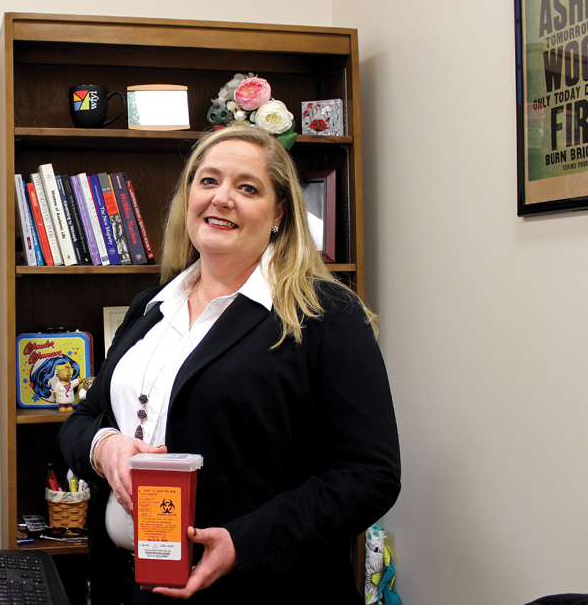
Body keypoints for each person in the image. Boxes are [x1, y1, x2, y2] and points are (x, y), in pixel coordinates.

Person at [57, 125, 400, 604]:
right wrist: (105, 448)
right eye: (208, 180)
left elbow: (370, 475)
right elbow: (82, 419)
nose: (221, 198)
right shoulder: (148, 308)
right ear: (189, 197)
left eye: (247, 188)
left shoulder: (325, 314)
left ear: (280, 213)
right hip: (128, 585)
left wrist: (244, 543)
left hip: (256, 590)